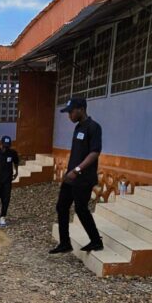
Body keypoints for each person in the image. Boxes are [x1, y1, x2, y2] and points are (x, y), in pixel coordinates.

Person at [51, 98, 105, 254]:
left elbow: (94, 152)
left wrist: (77, 170)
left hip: (83, 178)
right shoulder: (78, 128)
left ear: (81, 109)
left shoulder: (94, 127)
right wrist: (70, 171)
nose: (69, 116)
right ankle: (65, 243)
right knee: (61, 207)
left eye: (71, 112)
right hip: (71, 177)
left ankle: (95, 241)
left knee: (81, 209)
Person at [0, 135, 19, 226]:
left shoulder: (12, 153)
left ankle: (2, 217)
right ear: (1, 144)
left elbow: (16, 162)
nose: (6, 147)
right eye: (4, 145)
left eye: (8, 146)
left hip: (7, 181)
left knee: (6, 199)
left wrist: (16, 172)